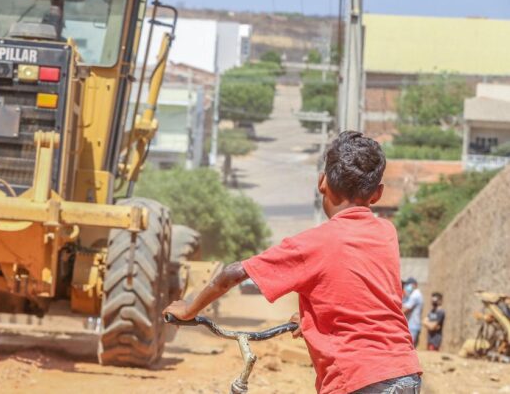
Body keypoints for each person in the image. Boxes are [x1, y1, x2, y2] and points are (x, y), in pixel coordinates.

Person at [163, 131, 422, 394]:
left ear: (322, 182)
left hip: (357, 378)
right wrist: (313, 319)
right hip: (405, 373)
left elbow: (233, 274)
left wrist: (189, 309)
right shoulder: (386, 232)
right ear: (377, 194)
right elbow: (364, 295)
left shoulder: (311, 243)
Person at [402, 277, 423, 348]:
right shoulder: (412, 295)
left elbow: (405, 310)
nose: (407, 287)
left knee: (409, 347)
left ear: (415, 285)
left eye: (409, 285)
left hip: (413, 325)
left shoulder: (415, 295)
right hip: (411, 325)